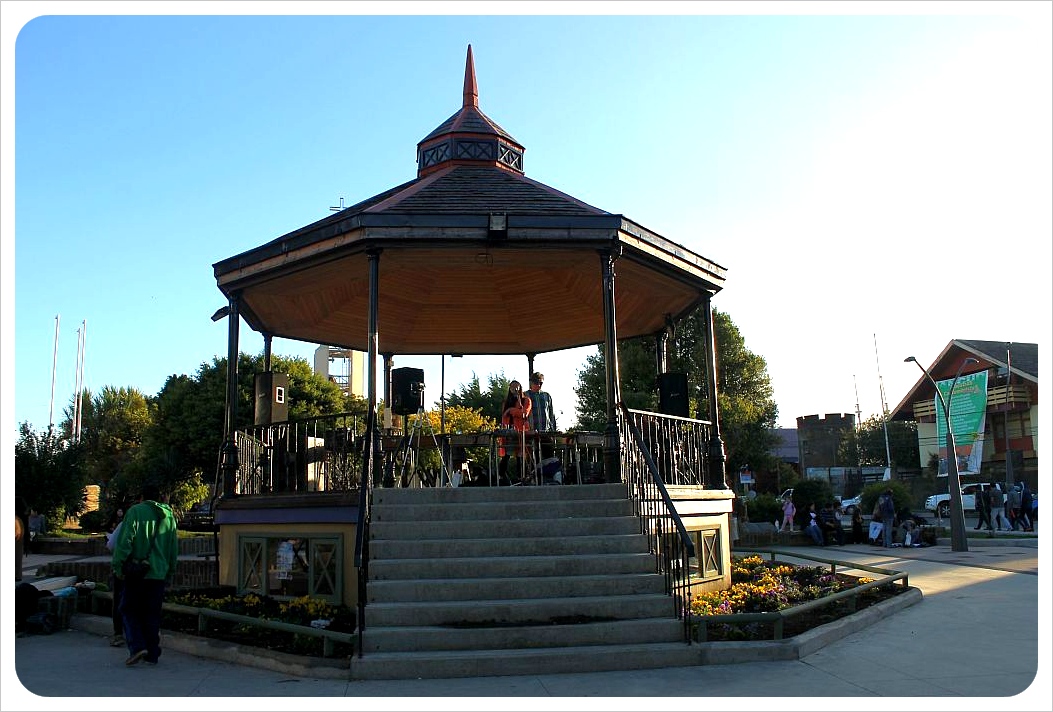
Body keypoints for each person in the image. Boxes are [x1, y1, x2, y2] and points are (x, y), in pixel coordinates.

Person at [110, 483, 179, 666]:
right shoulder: (169, 516)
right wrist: (170, 569)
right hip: (159, 573)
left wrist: (118, 566)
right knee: (152, 613)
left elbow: (125, 542)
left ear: (142, 497)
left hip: (137, 572)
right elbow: (173, 547)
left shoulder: (136, 512)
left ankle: (137, 646)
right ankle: (153, 653)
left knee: (128, 609)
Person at [498, 380, 532, 484]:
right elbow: (504, 416)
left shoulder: (526, 400)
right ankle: (501, 477)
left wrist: (511, 410)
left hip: (521, 431)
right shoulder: (506, 402)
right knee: (507, 455)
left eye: (517, 388)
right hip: (509, 430)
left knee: (520, 455)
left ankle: (521, 477)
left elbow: (524, 413)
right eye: (512, 388)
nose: (515, 390)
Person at [525, 372, 558, 463]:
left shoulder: (546, 396)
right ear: (531, 382)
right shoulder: (525, 395)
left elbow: (551, 415)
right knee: (532, 459)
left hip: (545, 433)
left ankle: (548, 476)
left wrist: (553, 432)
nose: (538, 385)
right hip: (531, 433)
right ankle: (532, 476)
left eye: (541, 383)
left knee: (549, 458)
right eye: (536, 382)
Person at [105, 507, 126, 647]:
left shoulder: (124, 525)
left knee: (119, 600)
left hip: (124, 568)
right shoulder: (161, 521)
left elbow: (111, 545)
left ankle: (119, 634)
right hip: (150, 569)